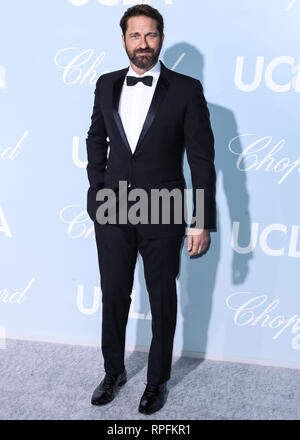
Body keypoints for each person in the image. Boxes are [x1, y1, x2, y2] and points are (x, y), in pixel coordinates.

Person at [85, 4, 216, 415]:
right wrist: (95, 190)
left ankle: (156, 381)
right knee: (113, 296)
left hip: (164, 209)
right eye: (135, 35)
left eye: (151, 35)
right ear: (123, 39)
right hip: (113, 209)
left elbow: (201, 159)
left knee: (162, 299)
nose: (143, 43)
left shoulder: (186, 89)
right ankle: (113, 372)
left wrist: (201, 219)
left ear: (162, 37)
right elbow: (95, 138)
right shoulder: (105, 84)